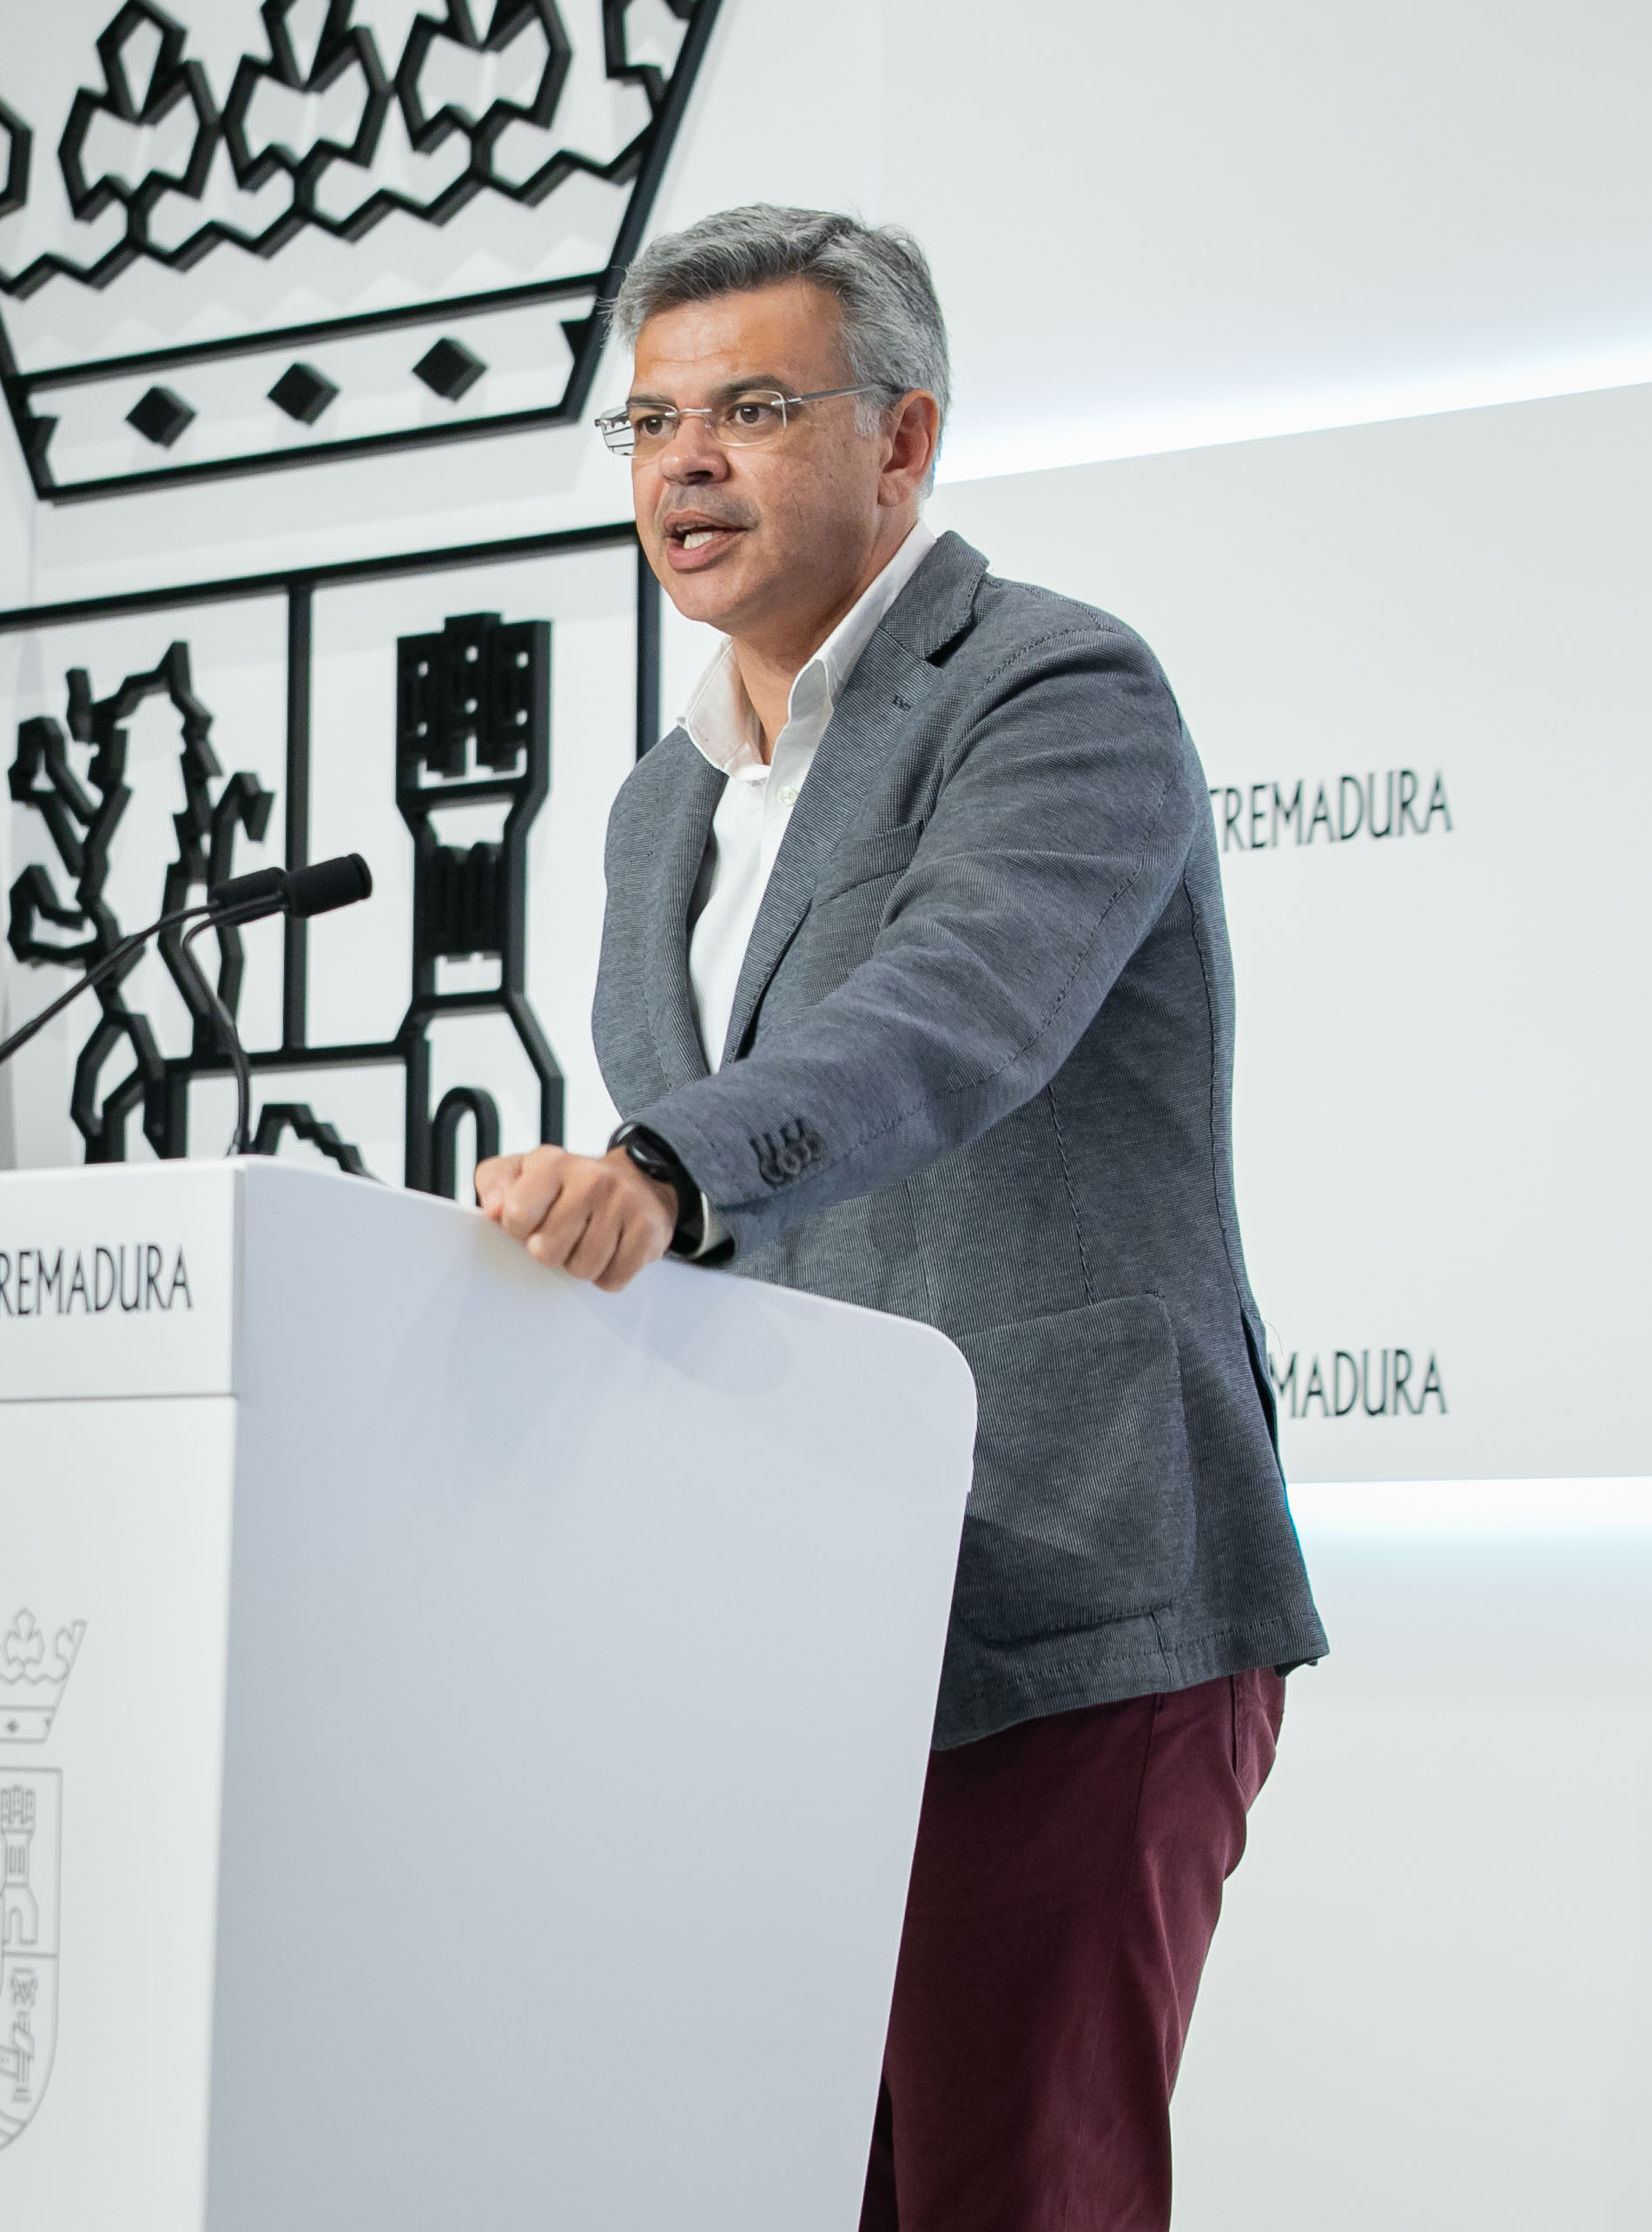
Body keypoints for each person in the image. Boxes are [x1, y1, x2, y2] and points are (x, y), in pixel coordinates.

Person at [471, 206, 1325, 2227]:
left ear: (901, 439)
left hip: (1069, 1587)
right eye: (651, 421)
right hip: (787, 1618)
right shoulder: (656, 804)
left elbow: (950, 1019)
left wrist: (661, 1167)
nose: (685, 463)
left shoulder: (1050, 689)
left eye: (753, 409)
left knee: (1013, 2189)